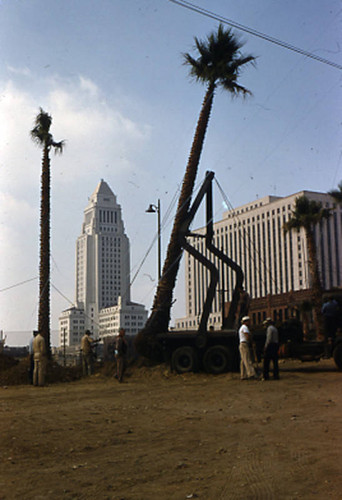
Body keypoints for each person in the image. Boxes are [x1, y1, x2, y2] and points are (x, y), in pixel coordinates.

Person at [238, 316, 257, 380]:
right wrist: (252, 342)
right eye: (249, 321)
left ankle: (243, 375)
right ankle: (251, 374)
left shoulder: (241, 328)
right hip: (244, 344)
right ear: (246, 322)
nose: (250, 322)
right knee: (247, 359)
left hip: (241, 344)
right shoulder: (245, 328)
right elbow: (247, 336)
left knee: (243, 360)